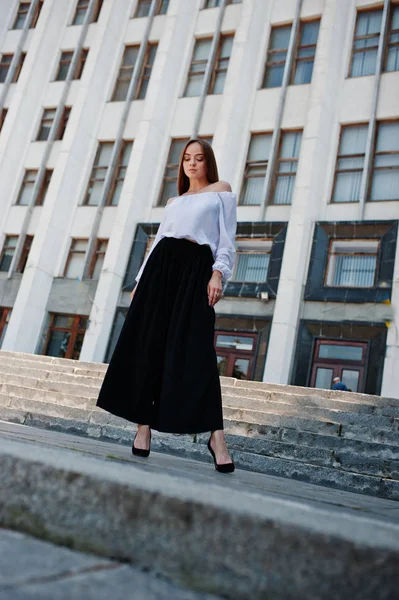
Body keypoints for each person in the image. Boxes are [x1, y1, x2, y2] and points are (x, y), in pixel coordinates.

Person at [96, 138, 237, 473]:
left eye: (198, 158)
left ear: (208, 163)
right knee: (149, 347)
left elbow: (228, 239)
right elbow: (159, 239)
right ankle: (143, 426)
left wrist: (218, 273)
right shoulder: (175, 200)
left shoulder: (222, 190)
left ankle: (217, 437)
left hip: (196, 270)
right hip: (161, 271)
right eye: (187, 158)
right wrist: (141, 281)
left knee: (199, 351)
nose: (192, 163)